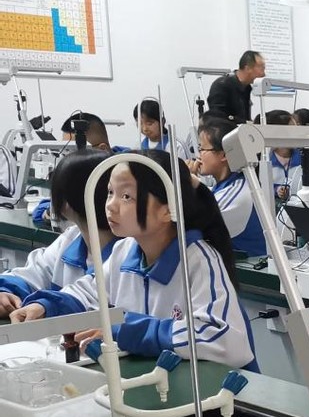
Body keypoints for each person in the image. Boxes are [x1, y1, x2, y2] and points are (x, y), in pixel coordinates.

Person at [10, 150, 256, 370]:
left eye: (126, 196)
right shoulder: (125, 251)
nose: (111, 206)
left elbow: (223, 339)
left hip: (221, 395)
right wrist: (45, 306)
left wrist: (125, 330)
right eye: (110, 193)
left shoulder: (197, 259)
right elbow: (88, 293)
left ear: (167, 209)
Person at [0, 150, 116, 316]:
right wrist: (6, 291)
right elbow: (34, 273)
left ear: (64, 202)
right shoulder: (71, 240)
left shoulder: (124, 252)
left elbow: (87, 296)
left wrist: (46, 306)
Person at [195, 118, 267, 256]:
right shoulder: (222, 187)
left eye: (202, 149)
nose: (198, 155)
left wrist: (187, 182)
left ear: (223, 155)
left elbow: (190, 227)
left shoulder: (239, 191)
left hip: (250, 267)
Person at [206, 51, 264, 124]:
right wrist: (246, 123)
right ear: (248, 68)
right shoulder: (221, 85)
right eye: (261, 69)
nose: (263, 74)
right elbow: (217, 118)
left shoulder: (247, 88)